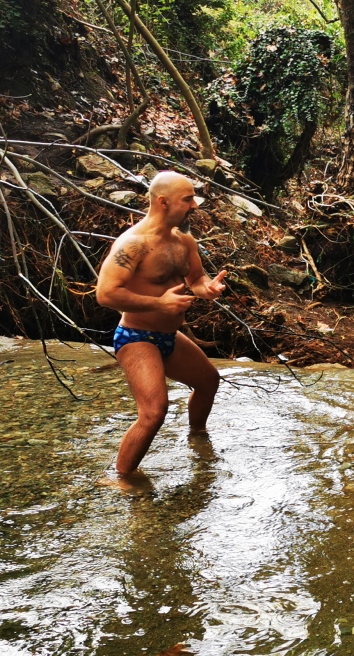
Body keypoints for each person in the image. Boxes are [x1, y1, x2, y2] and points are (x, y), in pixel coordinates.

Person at [95, 171, 226, 477]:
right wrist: (159, 303)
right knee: (154, 412)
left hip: (169, 335)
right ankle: (122, 479)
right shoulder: (135, 244)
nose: (194, 206)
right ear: (163, 202)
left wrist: (207, 288)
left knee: (209, 382)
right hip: (136, 336)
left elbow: (194, 278)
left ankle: (197, 439)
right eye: (187, 199)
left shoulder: (184, 240)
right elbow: (105, 294)